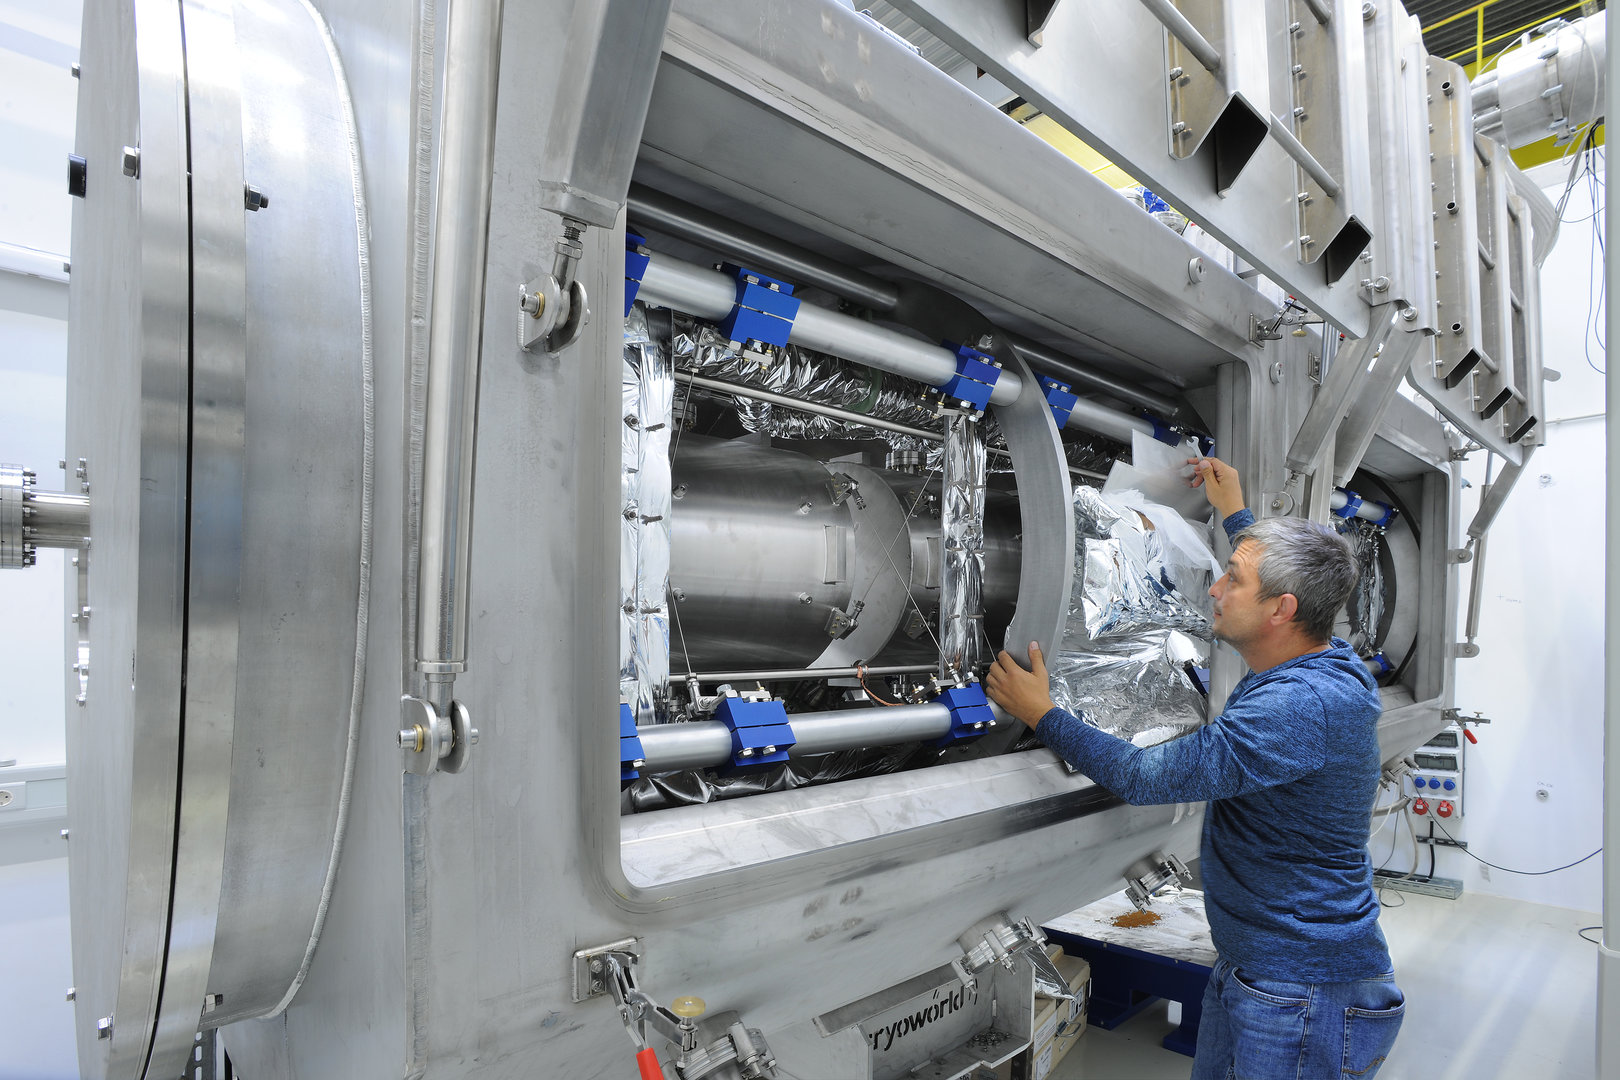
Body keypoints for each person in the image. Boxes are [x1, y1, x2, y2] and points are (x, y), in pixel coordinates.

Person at [984, 457, 1403, 1080]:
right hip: (1266, 969)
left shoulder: (1296, 706)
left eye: (1232, 579)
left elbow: (1143, 778)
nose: (1213, 588)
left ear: (1282, 610)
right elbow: (1273, 575)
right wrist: (1235, 514)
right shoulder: (1319, 654)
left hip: (1300, 994)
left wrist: (1041, 714)